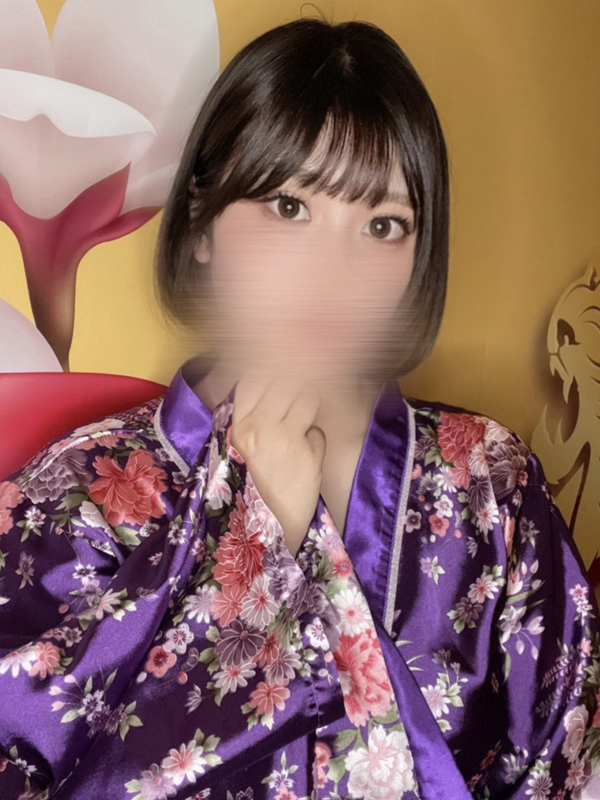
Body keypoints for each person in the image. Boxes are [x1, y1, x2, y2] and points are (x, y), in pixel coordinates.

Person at [0, 16, 599, 800]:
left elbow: (569, 766)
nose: (333, 270)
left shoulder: (489, 480)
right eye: (289, 207)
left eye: (383, 225)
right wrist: (261, 541)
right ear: (201, 220)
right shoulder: (78, 497)